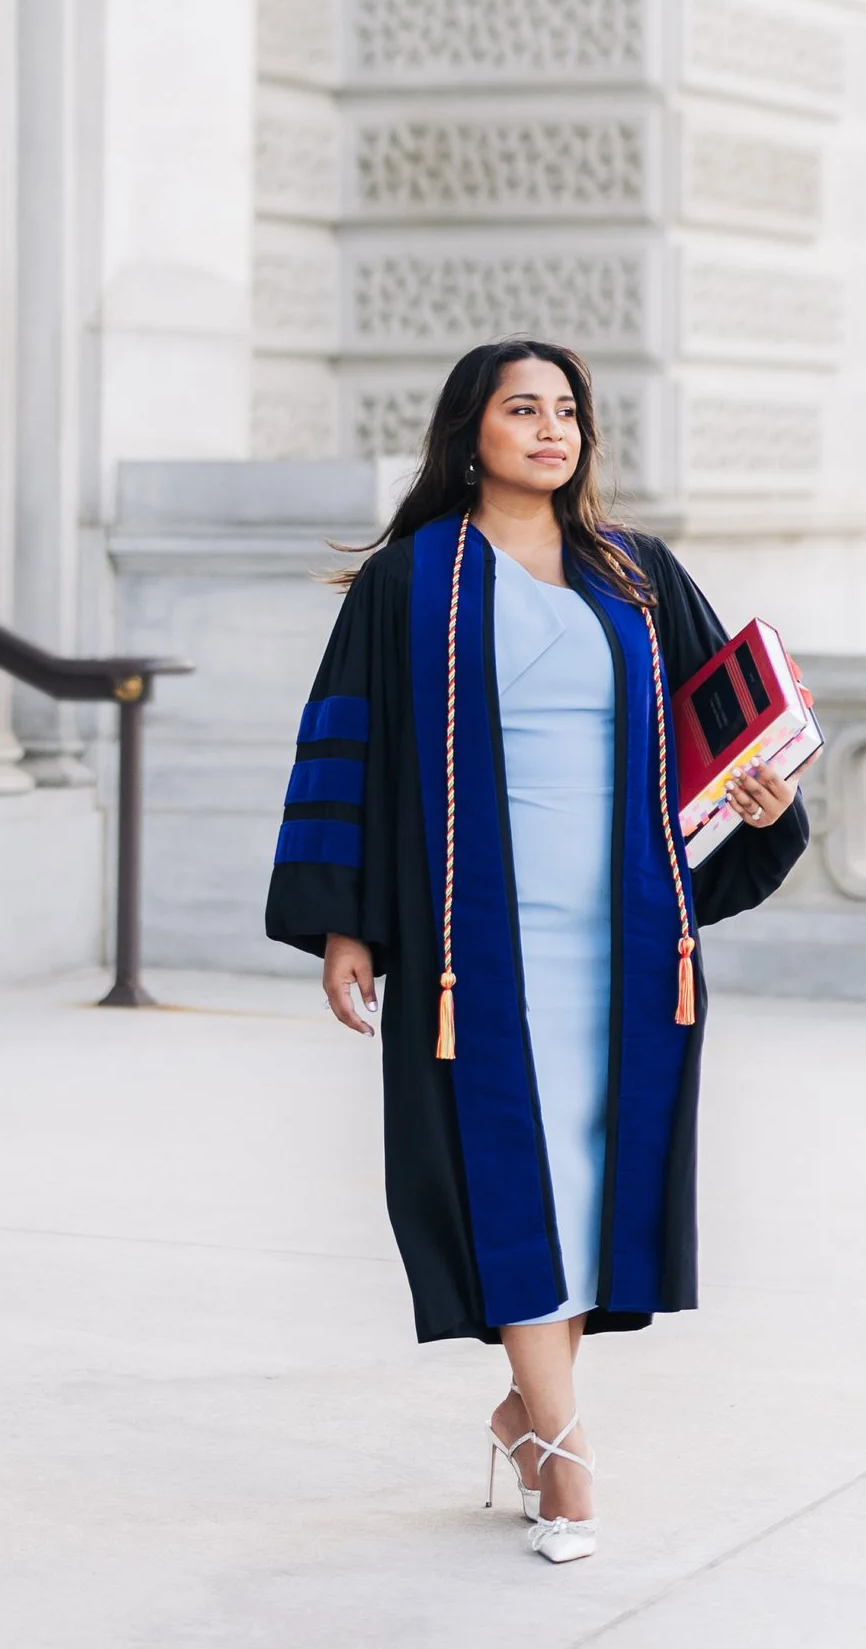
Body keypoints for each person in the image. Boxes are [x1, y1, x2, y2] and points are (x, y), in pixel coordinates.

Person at [264, 341, 810, 1563]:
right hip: (480, 944)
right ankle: (565, 1463)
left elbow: (705, 733)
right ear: (472, 431)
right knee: (510, 1178)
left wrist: (758, 797)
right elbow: (341, 749)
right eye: (524, 409)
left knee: (581, 1190)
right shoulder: (411, 584)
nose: (551, 430)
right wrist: (346, 918)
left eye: (567, 411)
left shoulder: (636, 572)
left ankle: (527, 1415)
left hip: (621, 935)